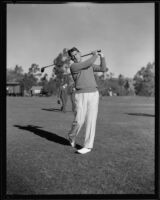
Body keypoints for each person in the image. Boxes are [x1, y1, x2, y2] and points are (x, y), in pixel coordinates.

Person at [67, 47, 108, 154]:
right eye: (72, 56)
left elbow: (103, 69)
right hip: (80, 95)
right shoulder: (74, 66)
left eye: (76, 54)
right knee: (79, 120)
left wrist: (102, 57)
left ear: (80, 53)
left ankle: (88, 146)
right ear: (71, 58)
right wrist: (95, 55)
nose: (75, 57)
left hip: (93, 94)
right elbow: (87, 63)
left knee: (91, 120)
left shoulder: (89, 65)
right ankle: (72, 135)